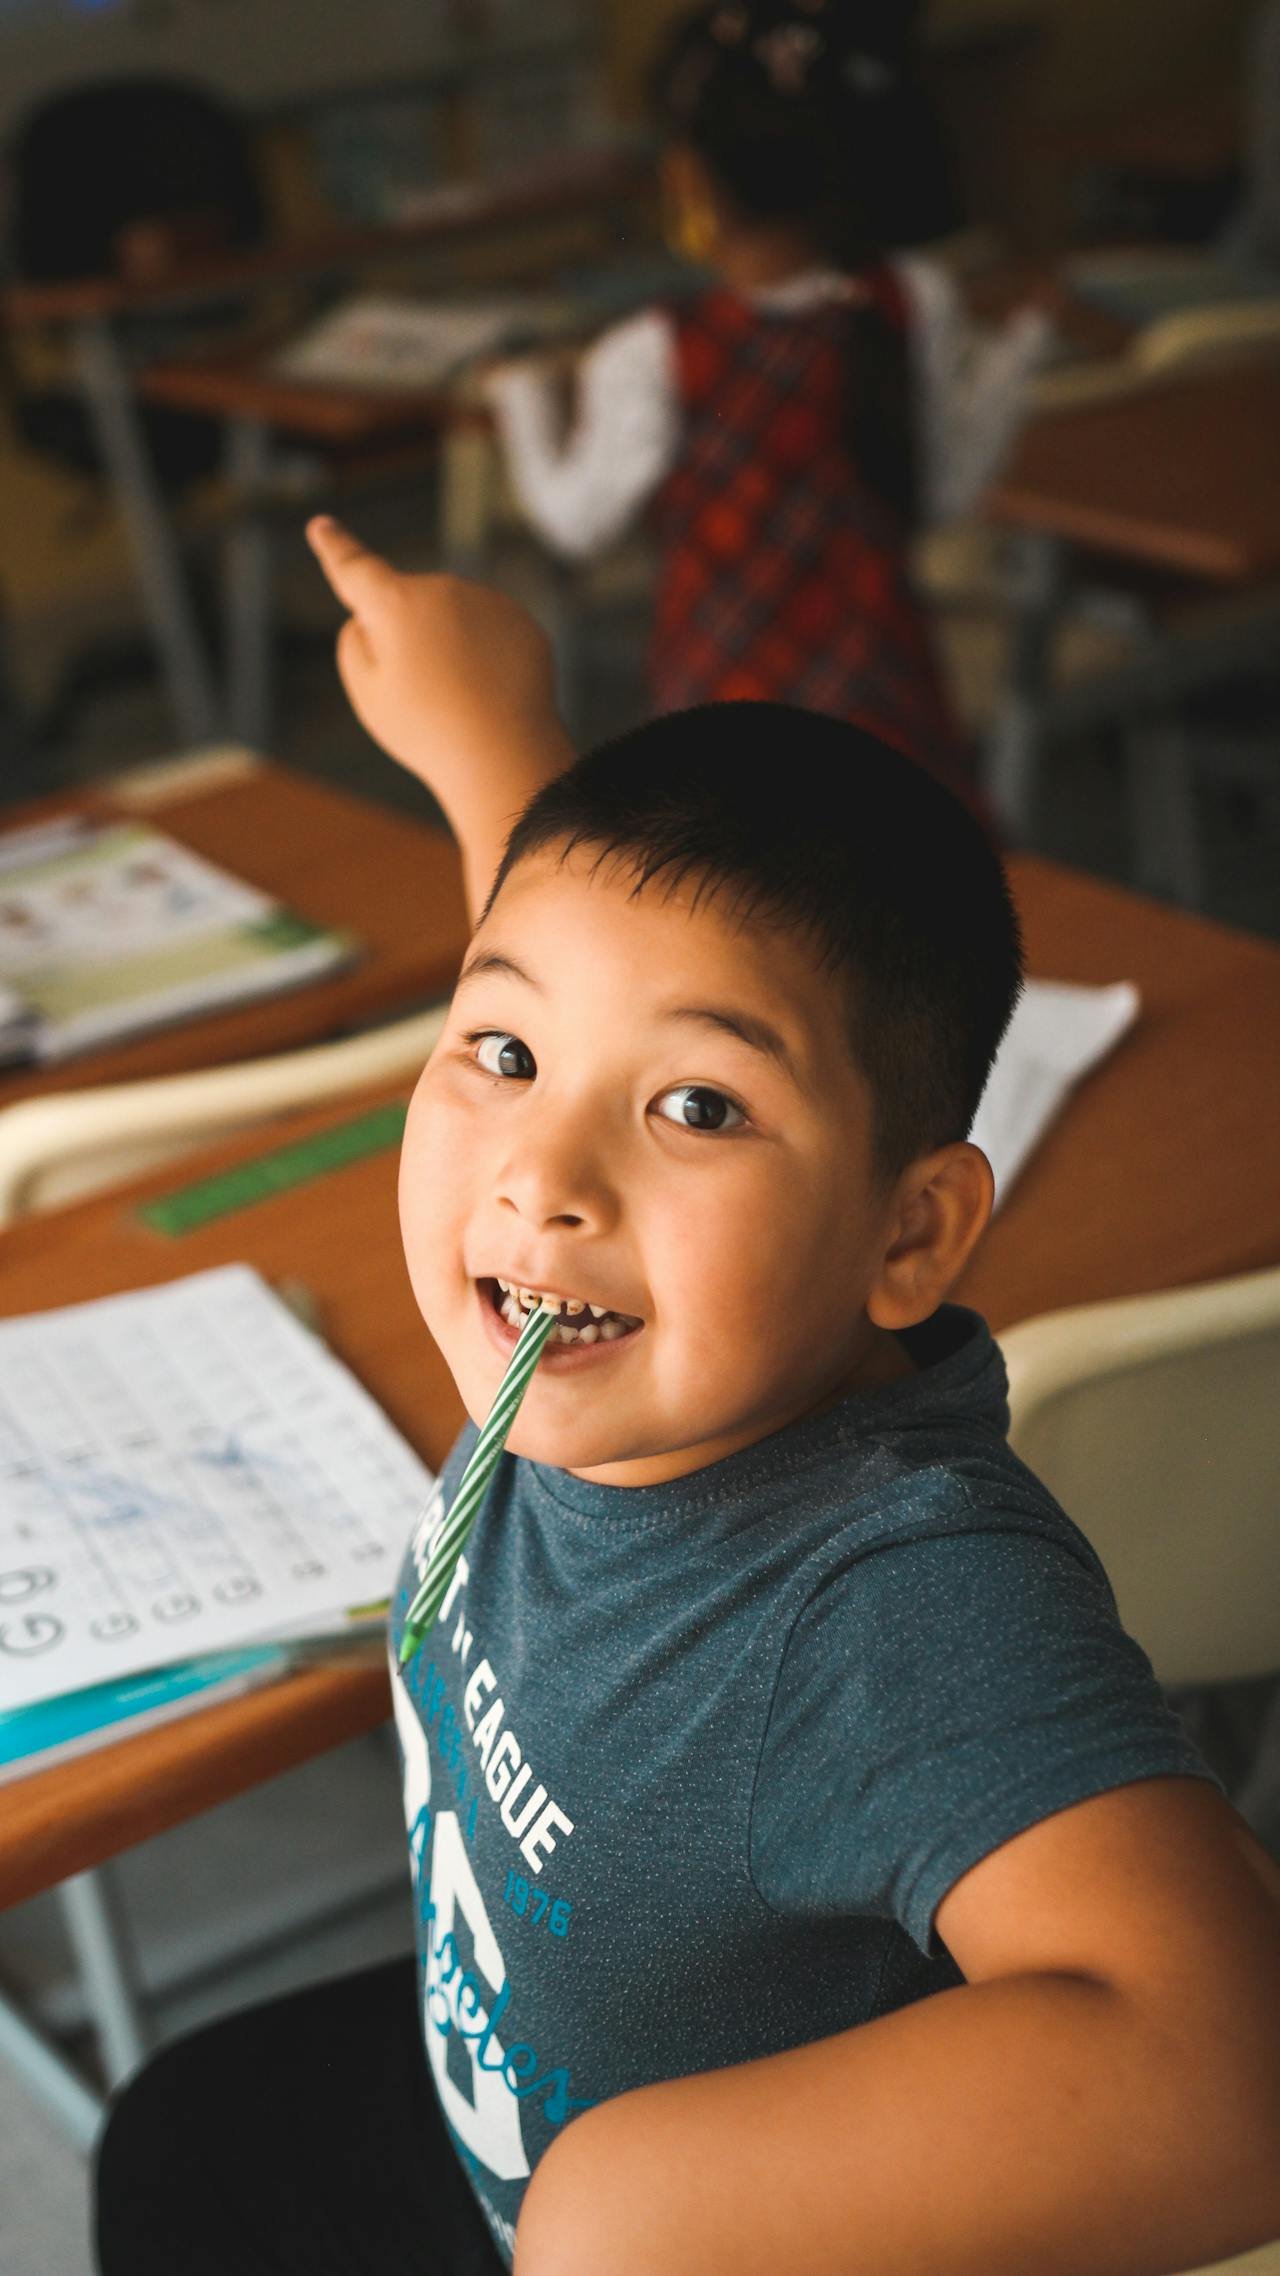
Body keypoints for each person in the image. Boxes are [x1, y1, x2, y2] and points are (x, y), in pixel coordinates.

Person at [94, 521, 1280, 2276]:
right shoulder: (605, 1313)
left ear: (912, 1231)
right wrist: (485, 725)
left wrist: (639, 2217)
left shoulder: (880, 1601)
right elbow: (586, 963)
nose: (541, 1171)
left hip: (654, 2224)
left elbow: (1229, 2075)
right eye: (498, 1053)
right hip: (494, 2085)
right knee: (183, 2133)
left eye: (702, 1110)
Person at [483, 0, 1052, 784]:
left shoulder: (651, 351)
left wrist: (521, 398)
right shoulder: (910, 298)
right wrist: (1020, 354)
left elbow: (576, 524)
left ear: (685, 180)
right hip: (887, 716)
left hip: (725, 732)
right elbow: (946, 491)